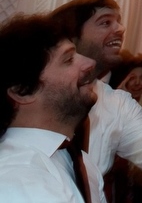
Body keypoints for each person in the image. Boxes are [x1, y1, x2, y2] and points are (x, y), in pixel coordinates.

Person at [49, 0, 142, 185]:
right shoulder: (38, 94)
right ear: (72, 38)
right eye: (106, 22)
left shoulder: (118, 104)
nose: (121, 29)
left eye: (119, 22)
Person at [0, 14, 105, 203]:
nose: (90, 63)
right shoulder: (17, 179)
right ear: (22, 92)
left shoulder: (80, 162)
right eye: (68, 59)